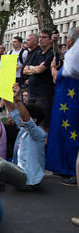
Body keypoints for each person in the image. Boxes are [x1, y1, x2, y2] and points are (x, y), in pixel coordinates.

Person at [0, 83, 47, 191]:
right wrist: (4, 91)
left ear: (34, 120)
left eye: (23, 116)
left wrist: (18, 100)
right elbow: (13, 110)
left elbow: (27, 120)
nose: (20, 118)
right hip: (18, 170)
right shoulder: (24, 129)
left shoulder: (39, 134)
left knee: (2, 166)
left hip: (28, 180)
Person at [47, 27, 79, 187]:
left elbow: (57, 76)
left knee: (71, 135)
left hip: (69, 105)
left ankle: (73, 171)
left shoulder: (74, 60)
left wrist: (53, 69)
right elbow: (59, 55)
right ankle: (65, 167)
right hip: (67, 104)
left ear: (71, 41)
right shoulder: (71, 55)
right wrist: (55, 44)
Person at [23, 29, 57, 131]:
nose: (41, 40)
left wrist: (33, 69)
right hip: (32, 93)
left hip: (44, 95)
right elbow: (25, 70)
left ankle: (43, 146)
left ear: (50, 40)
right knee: (29, 121)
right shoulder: (37, 53)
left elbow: (40, 69)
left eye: (44, 37)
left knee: (43, 124)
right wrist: (35, 69)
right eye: (40, 37)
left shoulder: (51, 54)